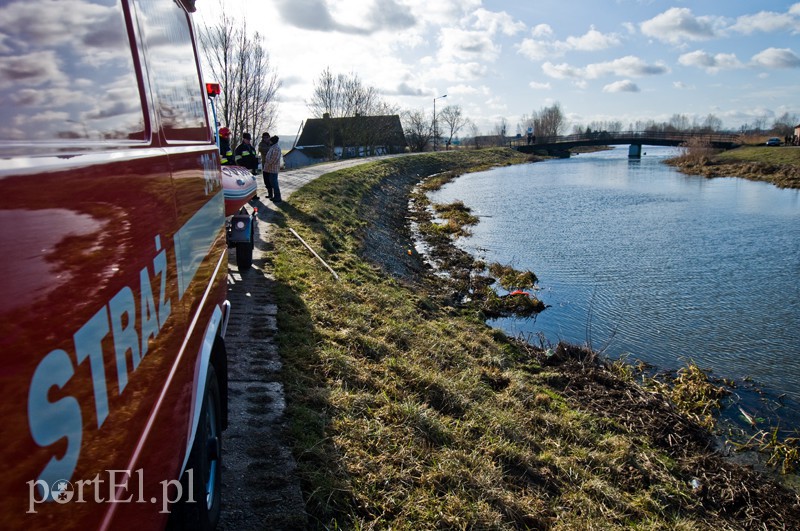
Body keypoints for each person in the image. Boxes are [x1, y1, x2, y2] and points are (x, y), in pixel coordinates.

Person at [263, 135, 282, 203]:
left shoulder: (276, 148)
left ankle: (277, 197)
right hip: (270, 169)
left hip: (273, 169)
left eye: (270, 141)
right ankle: (275, 196)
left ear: (273, 141)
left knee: (274, 184)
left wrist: (267, 162)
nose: (269, 142)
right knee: (272, 183)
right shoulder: (273, 147)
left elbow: (274, 159)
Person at [258, 132, 273, 199]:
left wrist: (267, 151)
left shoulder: (272, 143)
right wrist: (269, 150)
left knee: (272, 180)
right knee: (266, 180)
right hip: (265, 164)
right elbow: (260, 149)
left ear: (269, 137)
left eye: (267, 137)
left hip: (272, 164)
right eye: (264, 137)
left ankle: (273, 194)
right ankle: (270, 194)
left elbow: (273, 151)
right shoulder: (261, 144)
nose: (266, 139)